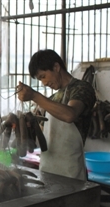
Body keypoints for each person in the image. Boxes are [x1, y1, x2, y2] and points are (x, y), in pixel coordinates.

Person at [17, 49, 96, 181]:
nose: (44, 83)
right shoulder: (52, 98)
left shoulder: (82, 88)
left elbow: (69, 115)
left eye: (43, 76)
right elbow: (42, 136)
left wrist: (34, 96)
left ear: (56, 67)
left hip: (72, 173)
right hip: (48, 169)